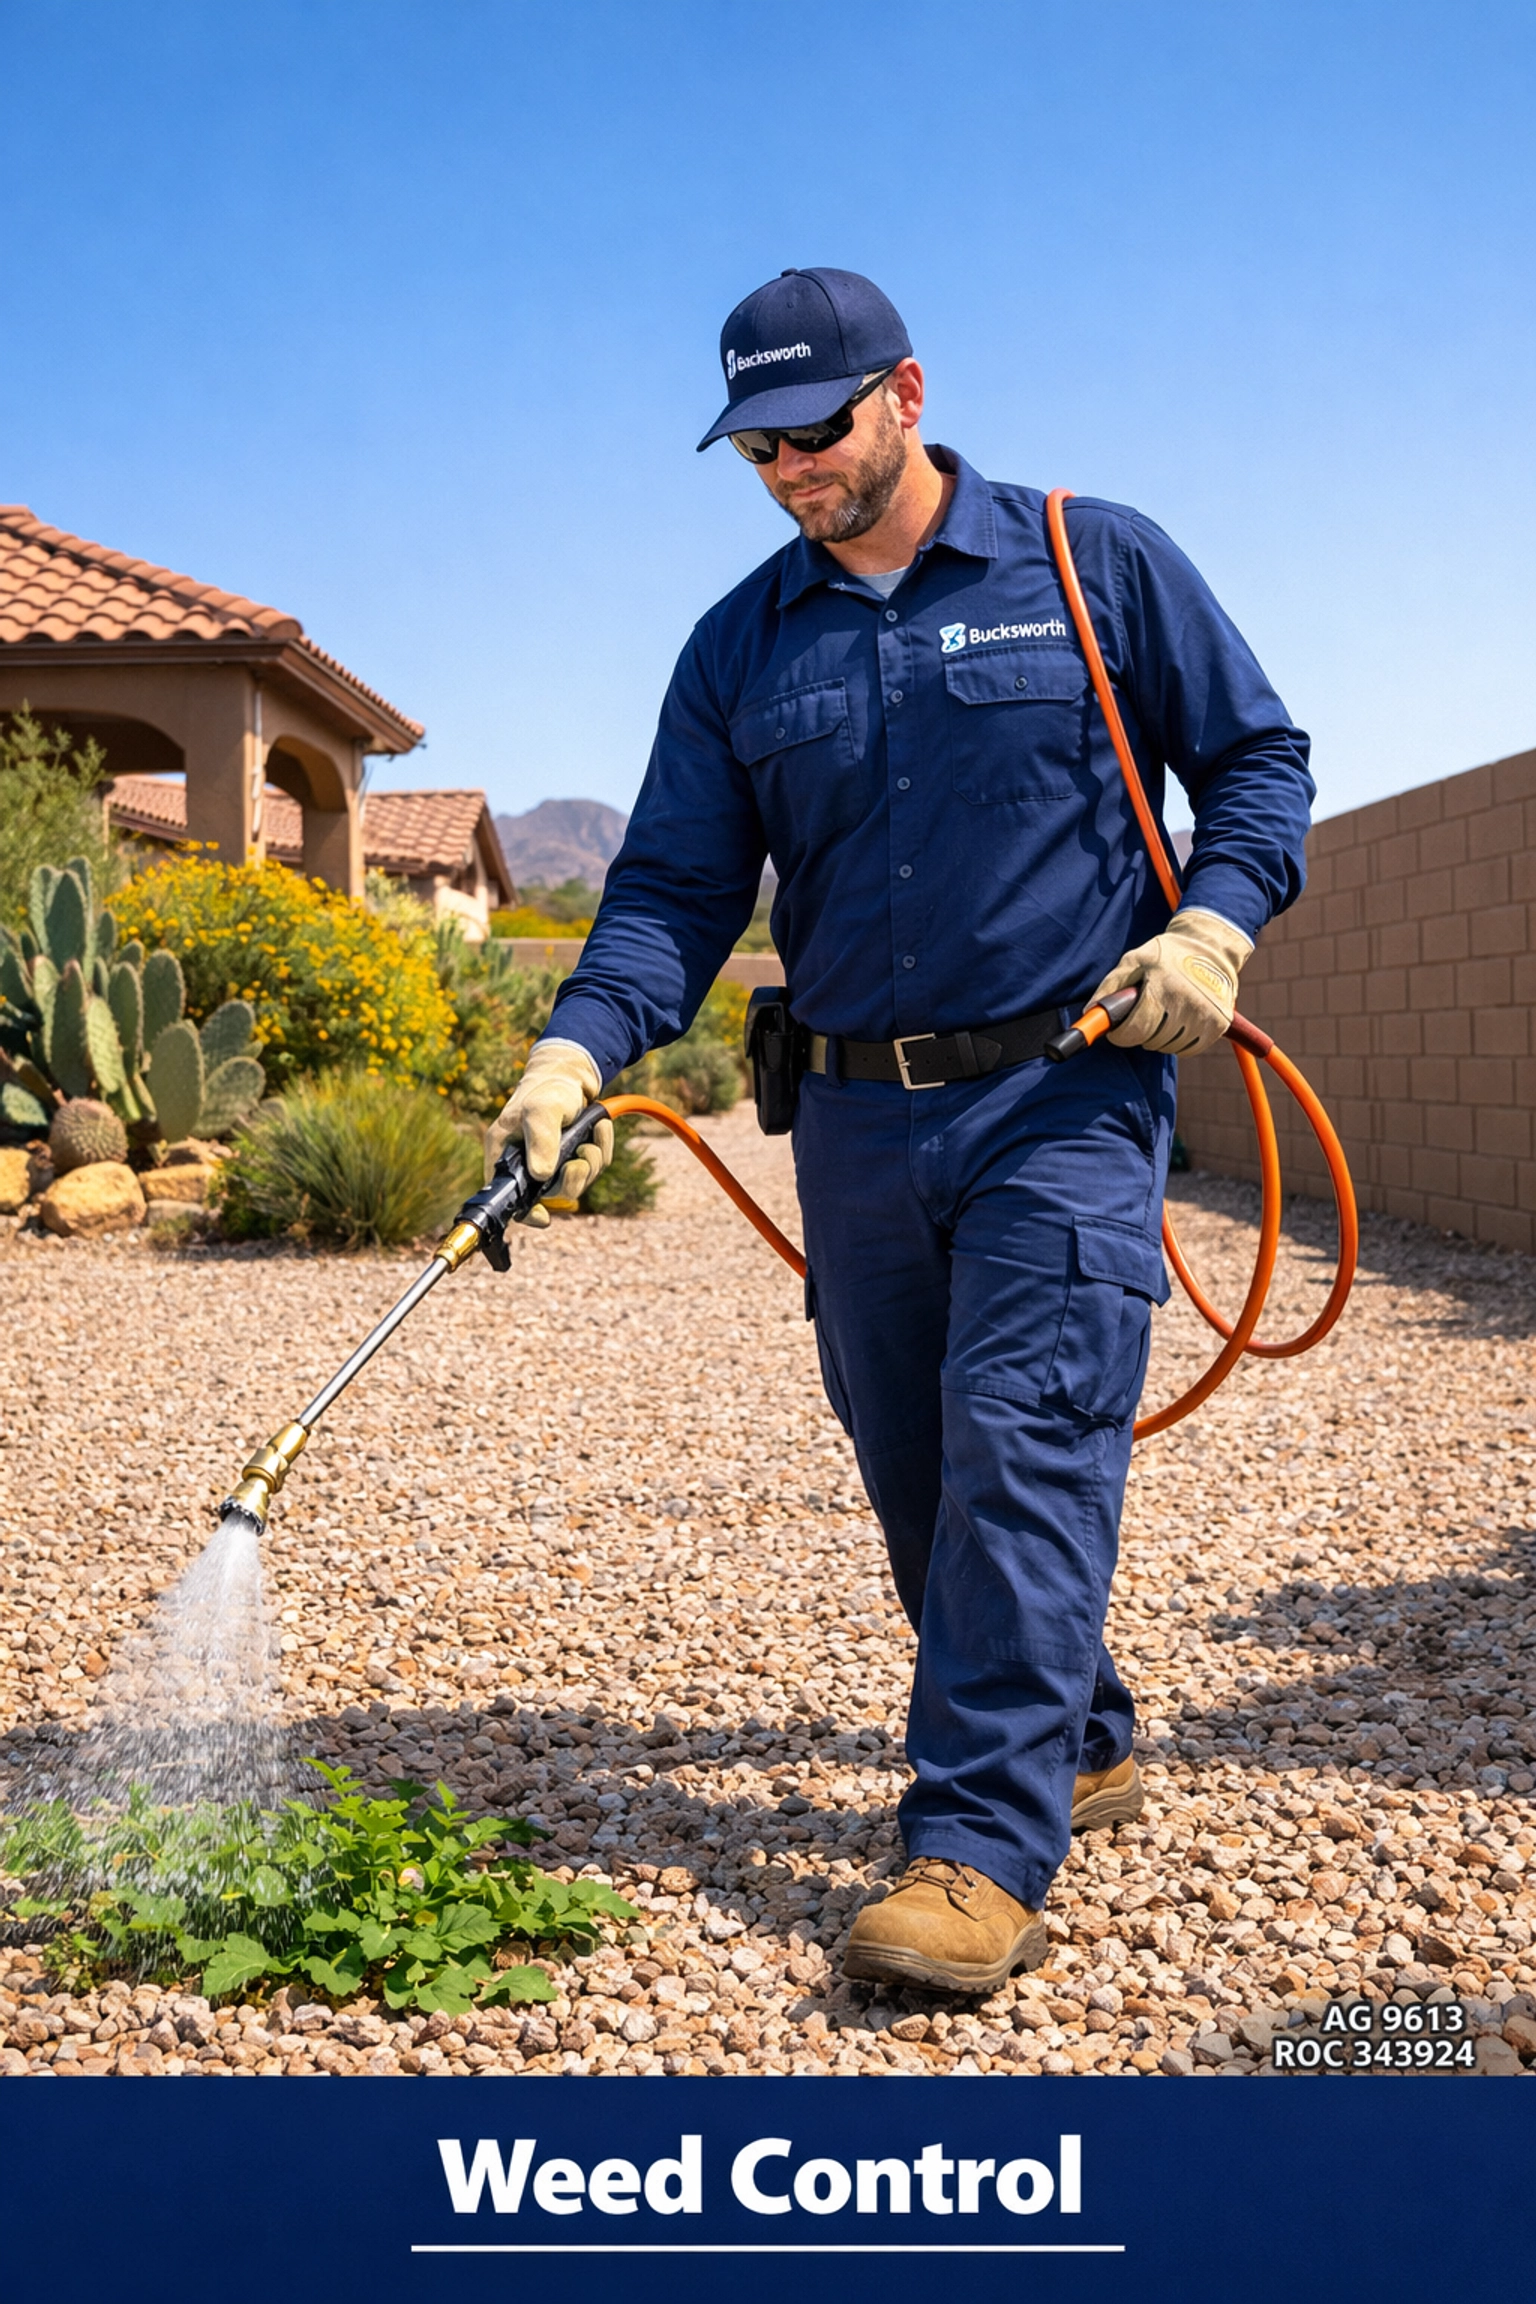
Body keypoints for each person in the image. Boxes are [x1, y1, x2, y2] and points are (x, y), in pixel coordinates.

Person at [489, 267, 1313, 1994]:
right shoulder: (741, 646)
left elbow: (1257, 763)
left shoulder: (1092, 562)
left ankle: (976, 1850)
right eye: (756, 447)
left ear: (908, 395)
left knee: (1024, 1438)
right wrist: (570, 1056)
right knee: (919, 1467)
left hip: (1065, 1095)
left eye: (816, 429)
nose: (789, 467)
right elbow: (673, 891)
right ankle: (1080, 1736)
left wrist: (1212, 927)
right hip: (857, 1126)